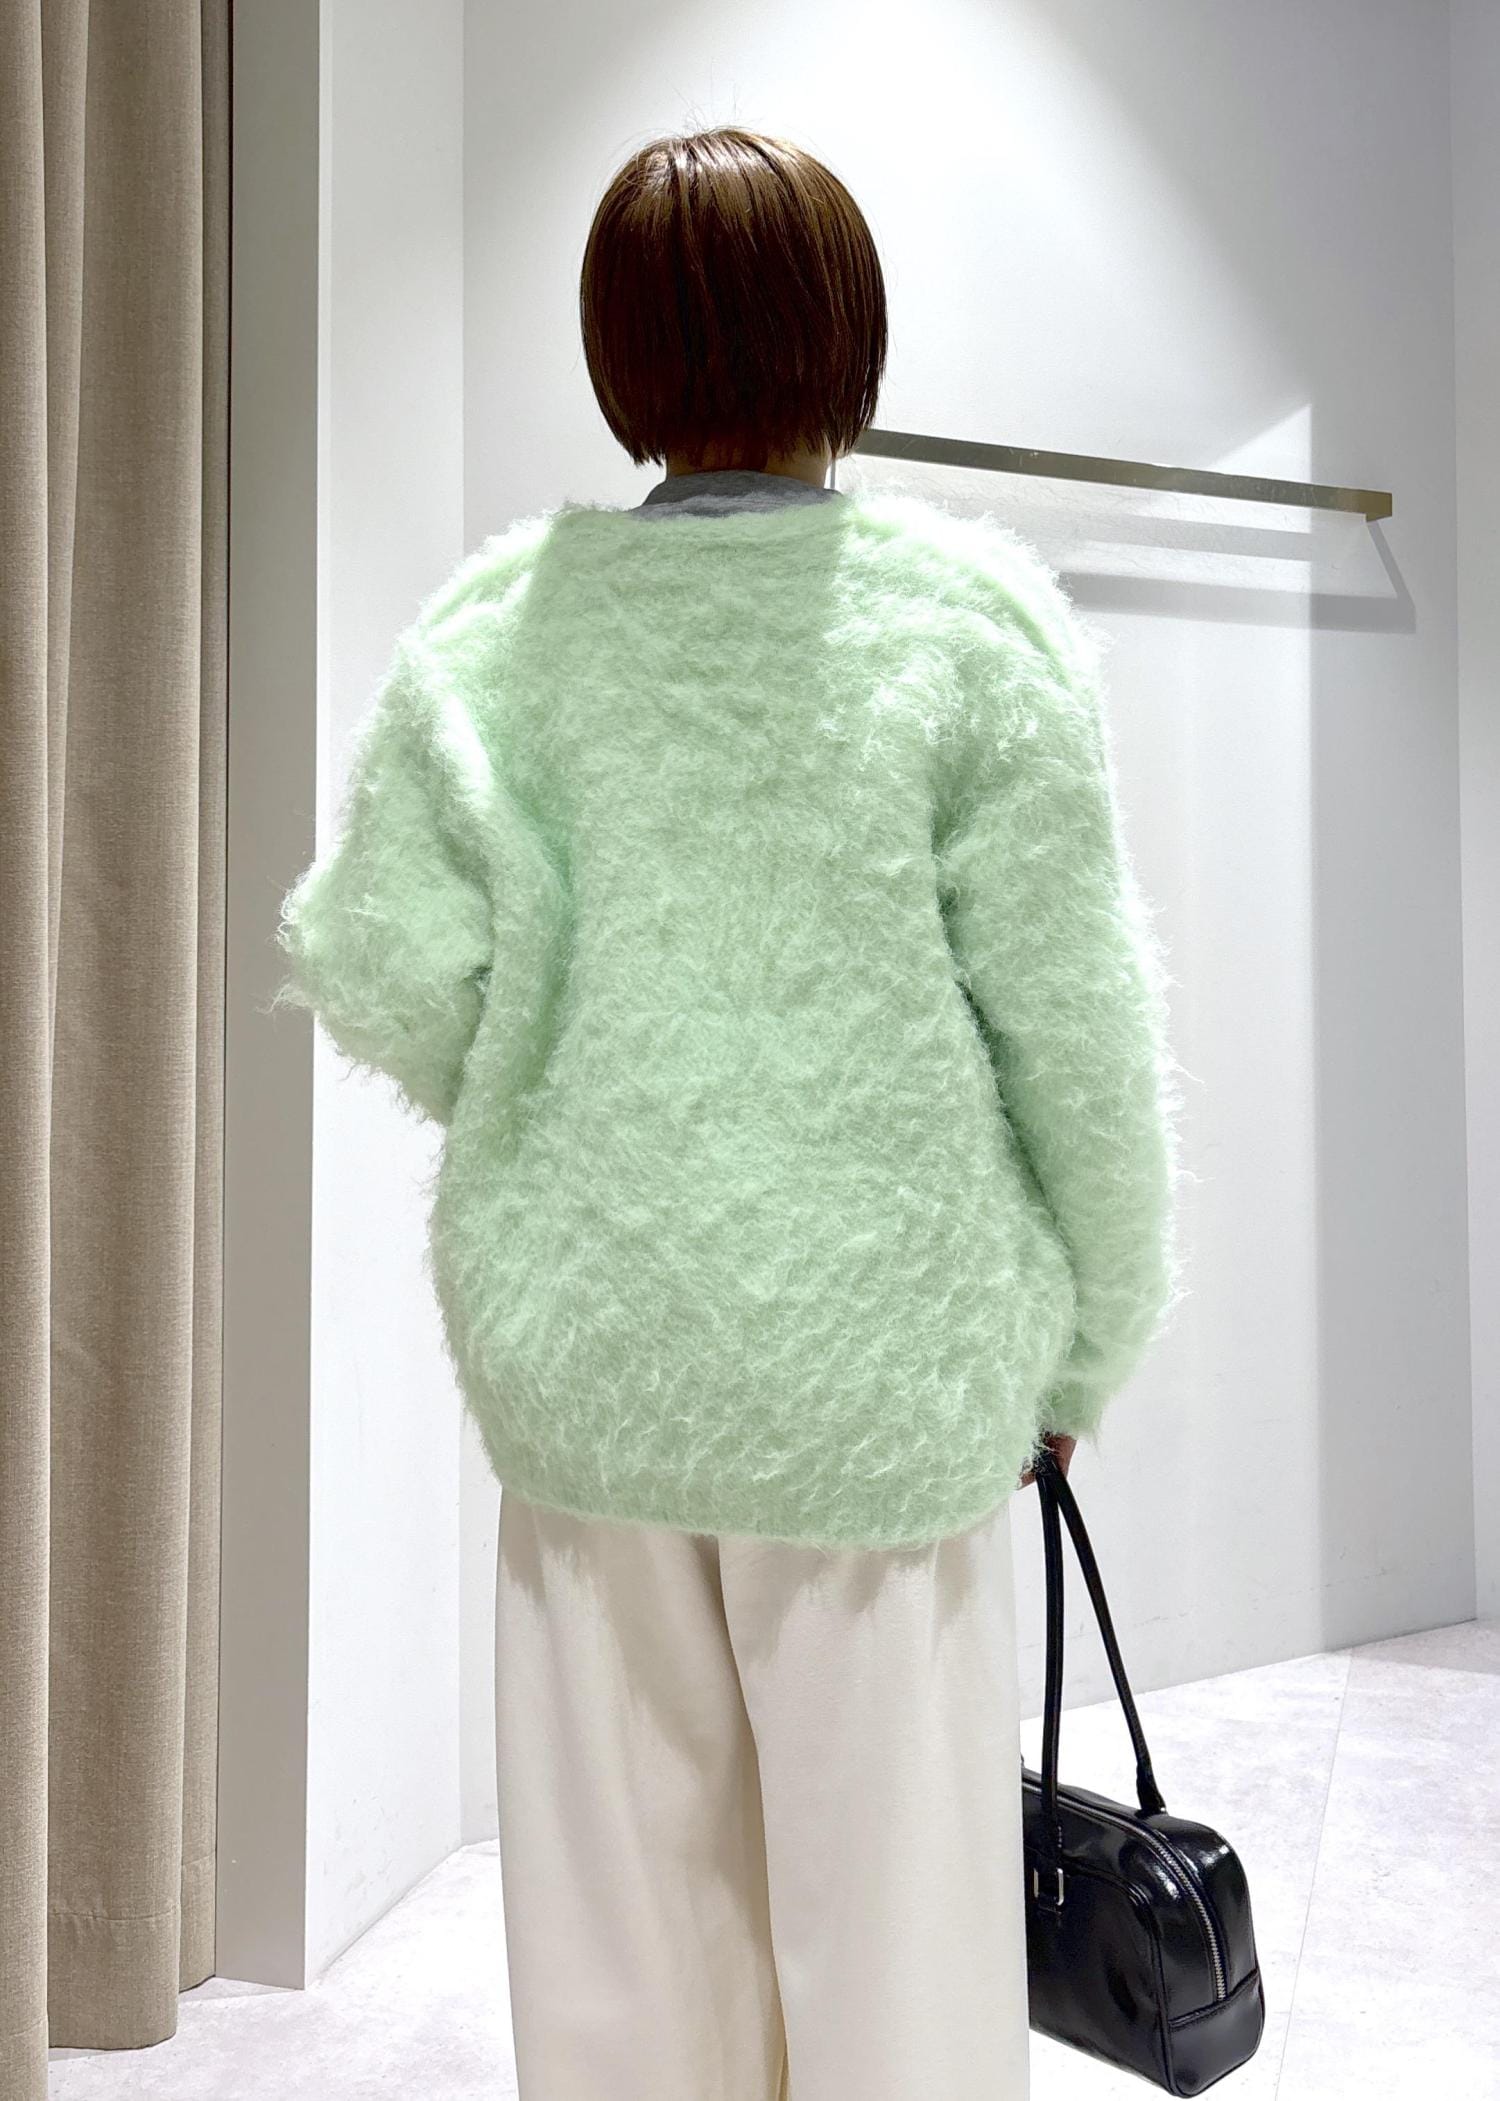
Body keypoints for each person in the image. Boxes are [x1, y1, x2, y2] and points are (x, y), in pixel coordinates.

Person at [273, 124, 1181, 2101]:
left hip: (594, 1373)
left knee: (625, 1962)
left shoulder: (494, 634)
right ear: (848, 341)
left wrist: (568, 1093)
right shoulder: (966, 628)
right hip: (882, 1396)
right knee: (899, 1970)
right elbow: (1083, 1045)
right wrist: (1085, 1339)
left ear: (622, 357)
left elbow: (378, 966)